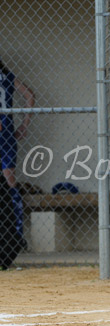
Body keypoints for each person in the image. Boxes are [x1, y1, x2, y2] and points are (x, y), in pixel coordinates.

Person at [0, 56, 35, 249]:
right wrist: (24, 124)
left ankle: (13, 236)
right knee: (9, 181)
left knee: (9, 180)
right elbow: (29, 95)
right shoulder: (7, 76)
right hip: (6, 131)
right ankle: (16, 234)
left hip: (3, 132)